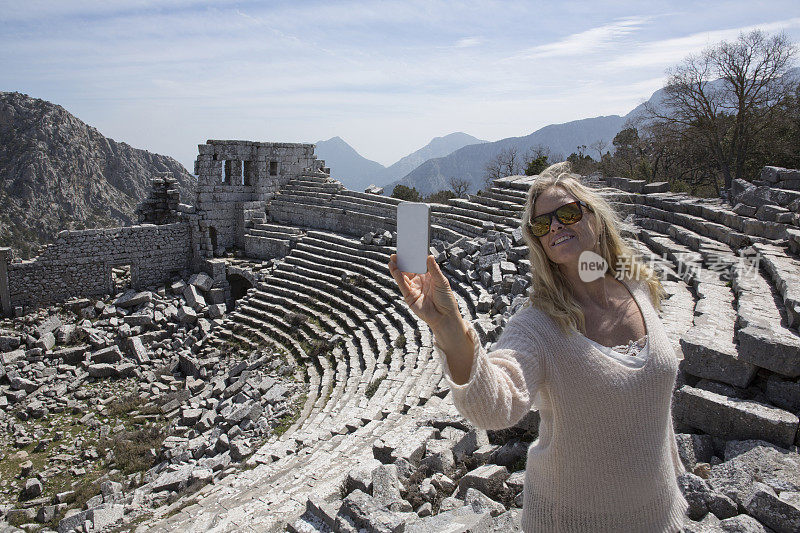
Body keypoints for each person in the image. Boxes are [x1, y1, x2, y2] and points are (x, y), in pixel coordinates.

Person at [388, 162, 689, 532]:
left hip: (659, 512)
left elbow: (651, 405)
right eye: (542, 225)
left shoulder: (639, 287)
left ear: (594, 217)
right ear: (538, 242)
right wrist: (447, 325)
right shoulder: (539, 326)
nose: (556, 226)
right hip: (573, 522)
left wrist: (673, 475)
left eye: (566, 212)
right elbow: (495, 407)